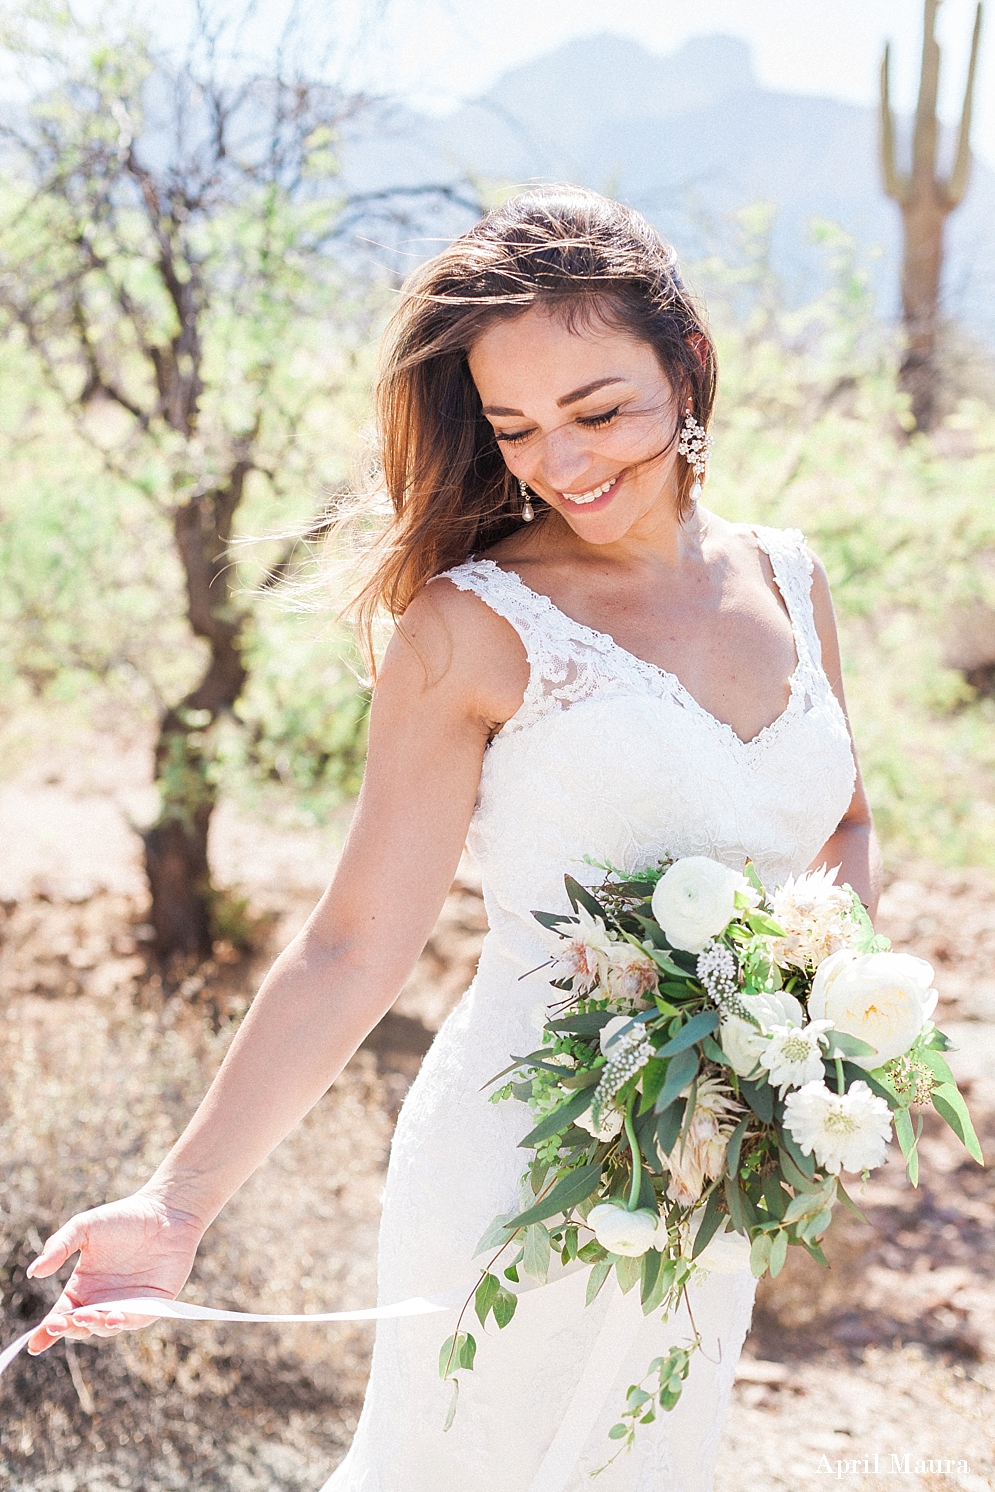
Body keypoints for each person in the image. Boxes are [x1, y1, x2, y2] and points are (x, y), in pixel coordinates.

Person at [25, 187, 878, 1491]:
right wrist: (178, 1202)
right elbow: (355, 944)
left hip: (712, 1158)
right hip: (514, 1164)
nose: (565, 463)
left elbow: (846, 825)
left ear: (688, 365)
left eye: (599, 411)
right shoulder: (469, 628)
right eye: (518, 428)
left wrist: (803, 1024)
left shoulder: (792, 577)